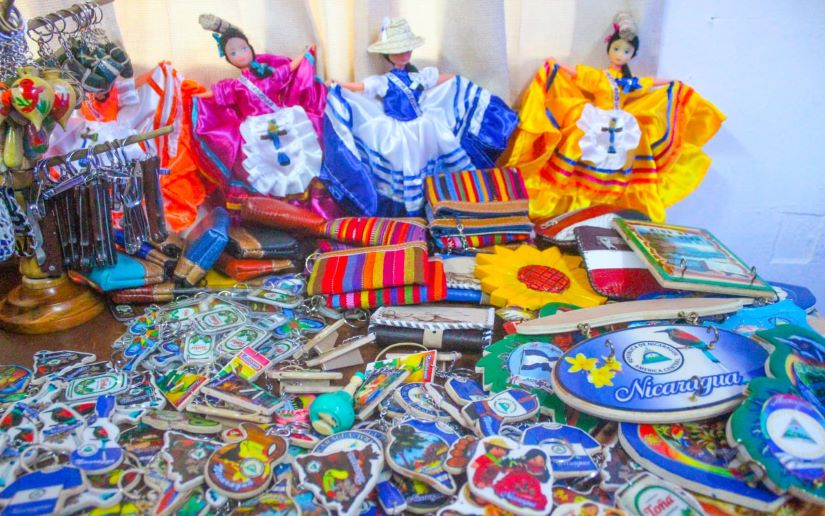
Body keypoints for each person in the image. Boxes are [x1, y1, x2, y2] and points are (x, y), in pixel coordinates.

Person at [504, 12, 725, 222]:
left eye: (626, 51)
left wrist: (672, 84)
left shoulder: (629, 81)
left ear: (632, 55)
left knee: (625, 156)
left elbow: (648, 83)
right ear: (609, 48)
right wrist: (555, 64)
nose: (620, 54)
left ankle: (608, 202)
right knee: (578, 148)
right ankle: (570, 201)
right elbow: (576, 73)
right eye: (617, 49)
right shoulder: (600, 77)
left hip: (620, 124)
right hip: (596, 118)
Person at [322, 17, 518, 217]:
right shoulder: (385, 81)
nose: (404, 55)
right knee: (408, 165)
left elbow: (441, 80)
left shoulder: (419, 76)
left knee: (437, 157)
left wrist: (457, 80)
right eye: (398, 51)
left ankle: (448, 194)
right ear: (388, 55)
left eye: (407, 50)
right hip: (401, 130)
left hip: (425, 126)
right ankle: (413, 205)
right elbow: (362, 88)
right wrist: (339, 85)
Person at [192, 14, 337, 218]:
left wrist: (306, 54)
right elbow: (214, 94)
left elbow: (290, 68)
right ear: (228, 58)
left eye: (243, 48)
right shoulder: (235, 86)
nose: (240, 55)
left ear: (250, 48)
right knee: (263, 162)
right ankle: (271, 207)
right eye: (233, 52)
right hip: (256, 129)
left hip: (282, 120)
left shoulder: (270, 75)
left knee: (297, 153)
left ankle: (303, 202)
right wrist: (192, 95)